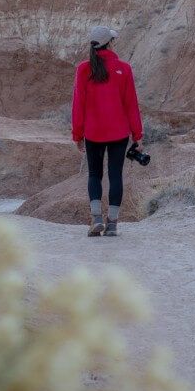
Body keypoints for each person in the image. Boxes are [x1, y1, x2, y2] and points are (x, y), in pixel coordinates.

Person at [72, 26, 143, 237]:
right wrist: (137, 135)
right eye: (113, 40)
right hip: (119, 133)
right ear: (109, 43)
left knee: (94, 174)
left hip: (93, 132)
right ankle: (112, 224)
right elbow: (131, 104)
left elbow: (78, 105)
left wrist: (77, 135)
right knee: (115, 175)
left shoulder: (84, 69)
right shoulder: (124, 68)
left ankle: (96, 219)